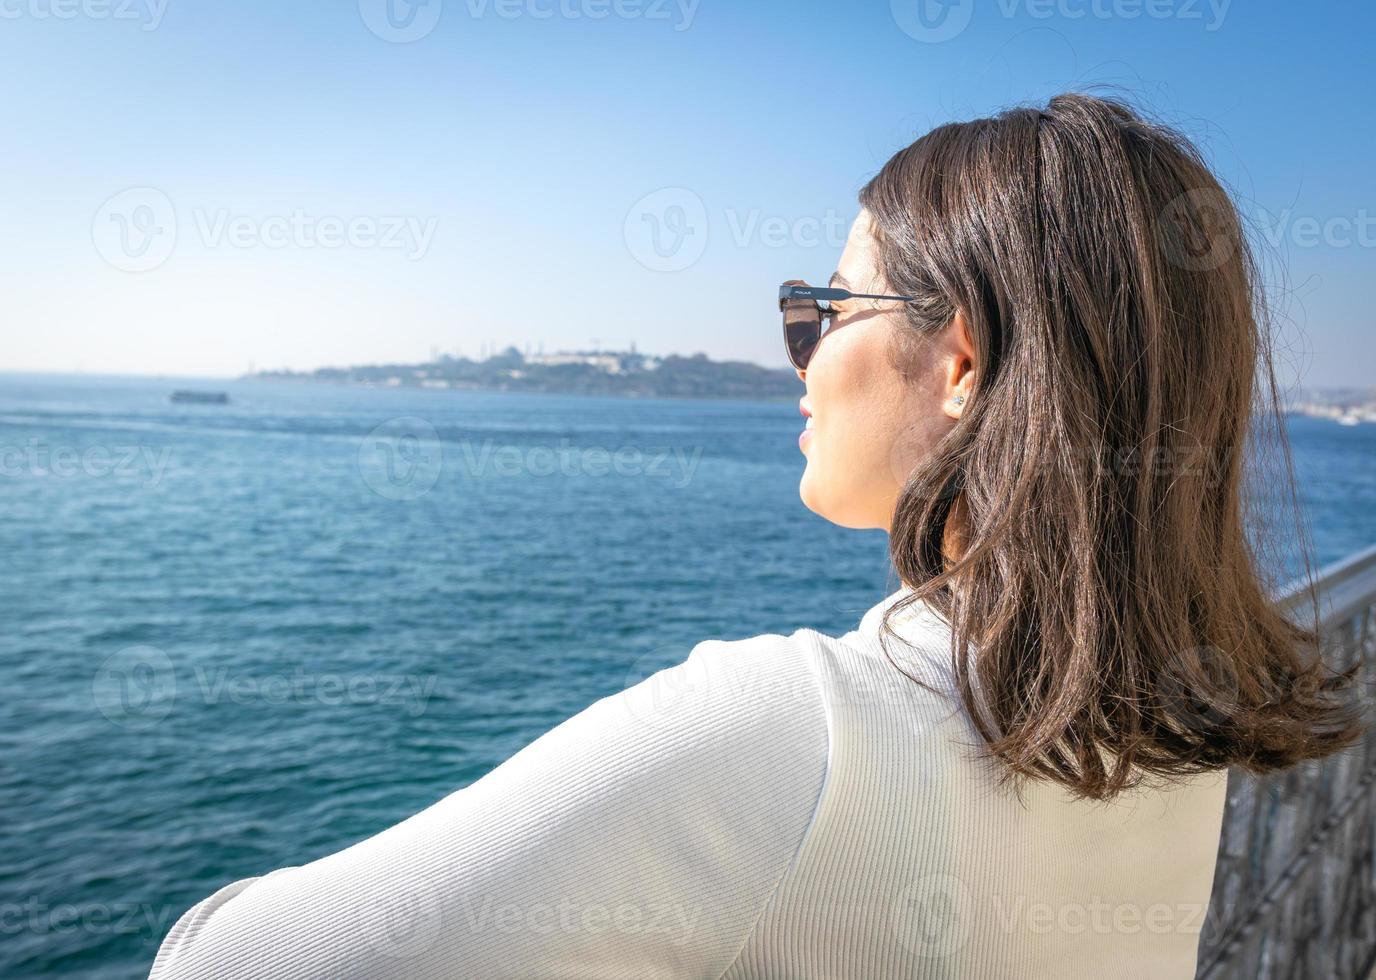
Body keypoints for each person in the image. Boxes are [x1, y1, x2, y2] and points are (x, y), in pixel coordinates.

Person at [149, 93, 1361, 979]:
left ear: (963, 362)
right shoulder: (1180, 716)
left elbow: (230, 966)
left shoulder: (790, 729)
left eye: (820, 306)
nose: (798, 354)